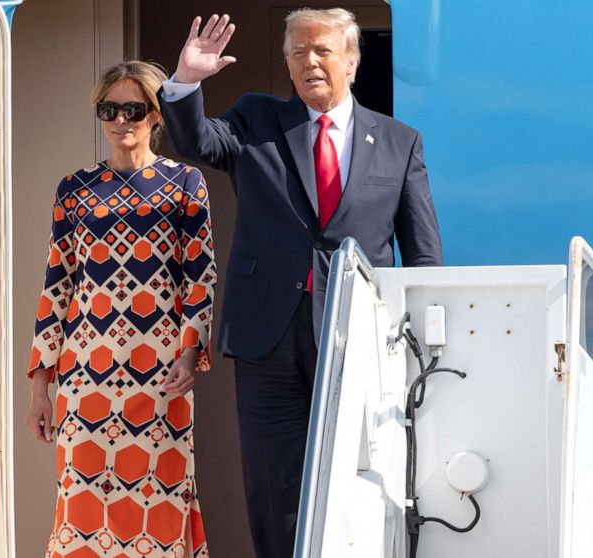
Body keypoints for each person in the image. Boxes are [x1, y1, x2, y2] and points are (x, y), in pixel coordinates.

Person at [158, 9, 442, 558]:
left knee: (363, 478)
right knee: (272, 489)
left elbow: (423, 254)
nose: (309, 62)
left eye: (323, 50)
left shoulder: (399, 142)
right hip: (268, 340)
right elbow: (194, 142)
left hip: (359, 340)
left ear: (352, 60)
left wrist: (422, 345)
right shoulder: (257, 120)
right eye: (297, 53)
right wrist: (187, 80)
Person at [27, 60, 216, 558]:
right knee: (81, 506)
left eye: (133, 108)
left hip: (161, 374)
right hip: (85, 378)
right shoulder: (74, 189)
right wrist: (40, 386)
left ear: (155, 115)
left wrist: (189, 353)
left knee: (164, 497)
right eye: (108, 109)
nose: (120, 119)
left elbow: (201, 277)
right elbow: (56, 286)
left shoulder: (185, 184)